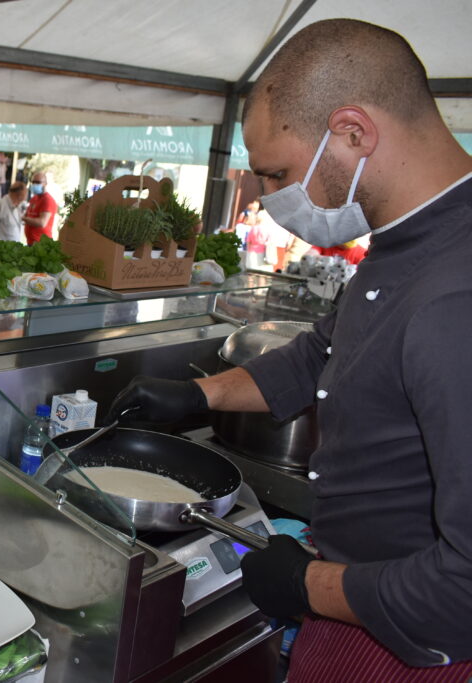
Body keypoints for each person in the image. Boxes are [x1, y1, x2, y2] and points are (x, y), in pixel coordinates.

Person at [105, 19, 472, 679]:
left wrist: (309, 585)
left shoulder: (456, 297)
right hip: (349, 611)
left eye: (277, 173)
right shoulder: (408, 240)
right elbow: (320, 354)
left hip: (407, 650)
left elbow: (465, 589)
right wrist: (197, 393)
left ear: (354, 133)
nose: (269, 198)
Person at [23, 172, 57, 244]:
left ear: (45, 184)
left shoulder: (48, 200)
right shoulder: (34, 198)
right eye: (33, 182)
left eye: (38, 182)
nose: (35, 184)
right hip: (31, 242)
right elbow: (28, 214)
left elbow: (42, 223)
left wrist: (23, 218)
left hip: (41, 244)